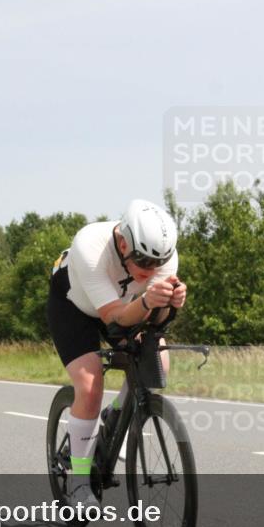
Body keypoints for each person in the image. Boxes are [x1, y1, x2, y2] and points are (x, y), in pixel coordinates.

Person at [46, 199, 187, 509]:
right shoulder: (90, 248)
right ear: (123, 243)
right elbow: (115, 318)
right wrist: (150, 301)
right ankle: (79, 481)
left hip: (128, 308)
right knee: (90, 384)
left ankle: (115, 413)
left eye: (157, 264)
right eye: (143, 263)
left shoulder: (163, 259)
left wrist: (169, 305)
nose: (151, 271)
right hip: (75, 307)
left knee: (158, 362)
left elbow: (154, 322)